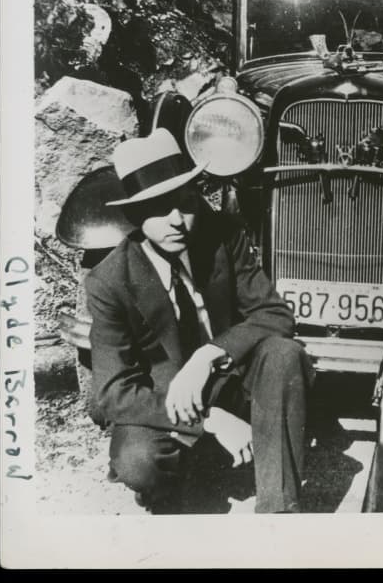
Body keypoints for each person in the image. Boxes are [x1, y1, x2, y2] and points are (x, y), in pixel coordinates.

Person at [86, 128, 314, 513]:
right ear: (135, 216)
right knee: (137, 463)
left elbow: (275, 314)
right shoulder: (110, 281)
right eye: (159, 208)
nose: (176, 220)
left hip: (229, 377)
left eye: (185, 202)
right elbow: (111, 394)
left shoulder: (223, 234)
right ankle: (183, 487)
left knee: (283, 353)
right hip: (168, 399)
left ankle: (279, 511)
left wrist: (209, 354)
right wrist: (208, 420)